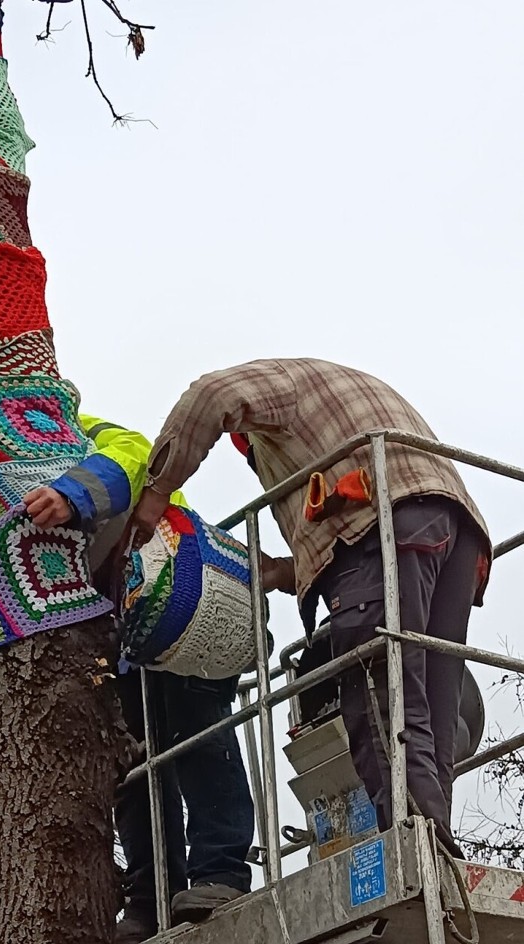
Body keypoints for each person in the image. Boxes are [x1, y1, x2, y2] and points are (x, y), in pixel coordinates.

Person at [0, 410, 256, 944]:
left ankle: (220, 875)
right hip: (118, 632)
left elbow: (135, 450)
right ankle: (151, 900)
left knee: (197, 735)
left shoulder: (54, 425)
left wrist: (74, 493)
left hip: (177, 593)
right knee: (133, 767)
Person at [130, 358, 491, 859]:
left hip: (383, 518)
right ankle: (436, 846)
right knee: (428, 703)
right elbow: (335, 540)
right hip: (451, 533)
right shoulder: (336, 399)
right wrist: (280, 571)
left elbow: (211, 395)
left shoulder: (283, 390)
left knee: (377, 693)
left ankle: (415, 852)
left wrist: (154, 495)